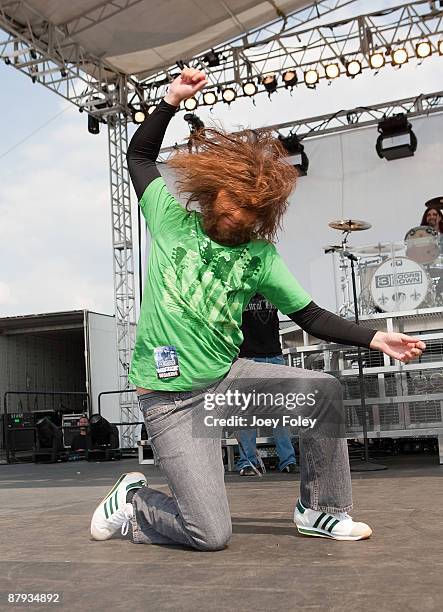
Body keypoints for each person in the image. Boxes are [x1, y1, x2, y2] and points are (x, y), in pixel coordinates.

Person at [90, 67, 425, 549]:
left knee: (321, 391)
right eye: (225, 211)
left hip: (227, 382)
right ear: (211, 195)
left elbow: (309, 316)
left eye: (244, 219)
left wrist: (375, 337)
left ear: (260, 216)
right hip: (170, 399)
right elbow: (139, 155)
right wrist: (170, 102)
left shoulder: (260, 257)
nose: (231, 222)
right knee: (209, 534)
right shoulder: (167, 219)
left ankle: (321, 510)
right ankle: (135, 501)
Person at [236, 293, 298, 476]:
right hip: (247, 356)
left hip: (274, 355)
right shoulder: (240, 289)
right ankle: (247, 462)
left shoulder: (271, 285)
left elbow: (293, 305)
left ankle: (288, 460)